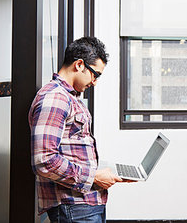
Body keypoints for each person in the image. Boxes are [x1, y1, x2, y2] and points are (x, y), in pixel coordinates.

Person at [29, 37, 125, 223]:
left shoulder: (68, 97)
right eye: (95, 74)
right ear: (79, 65)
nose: (95, 82)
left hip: (83, 205)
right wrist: (94, 176)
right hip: (73, 206)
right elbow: (44, 160)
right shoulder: (55, 98)